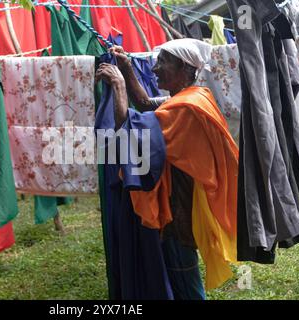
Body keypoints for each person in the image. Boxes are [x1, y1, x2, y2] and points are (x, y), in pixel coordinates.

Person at [96, 39, 239, 300]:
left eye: (163, 62)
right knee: (183, 276)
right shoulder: (195, 96)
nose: (155, 68)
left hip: (177, 213)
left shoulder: (184, 108)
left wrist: (117, 85)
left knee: (185, 282)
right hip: (184, 205)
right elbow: (146, 104)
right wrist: (127, 68)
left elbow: (129, 131)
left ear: (183, 66)